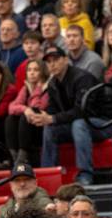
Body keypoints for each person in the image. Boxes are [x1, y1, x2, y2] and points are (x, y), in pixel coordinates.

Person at [38, 45, 98, 185]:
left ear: (66, 60)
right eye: (49, 62)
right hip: (76, 124)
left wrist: (53, 118)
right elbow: (53, 110)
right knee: (50, 126)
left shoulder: (82, 78)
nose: (52, 64)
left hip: (101, 122)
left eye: (56, 60)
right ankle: (48, 174)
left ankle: (85, 175)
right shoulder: (53, 83)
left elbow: (82, 111)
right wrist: (41, 116)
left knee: (79, 123)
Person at [5, 58, 49, 166]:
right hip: (28, 127)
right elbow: (11, 107)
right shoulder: (26, 89)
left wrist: (36, 90)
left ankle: (23, 155)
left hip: (41, 126)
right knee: (11, 119)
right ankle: (14, 155)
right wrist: (25, 109)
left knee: (28, 115)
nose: (32, 73)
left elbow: (37, 108)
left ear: (42, 72)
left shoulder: (47, 88)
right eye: (29, 70)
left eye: (36, 70)